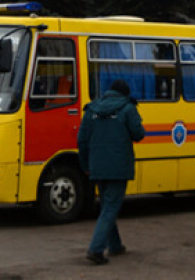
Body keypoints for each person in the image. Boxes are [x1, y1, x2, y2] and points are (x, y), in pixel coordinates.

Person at [77, 79, 145, 265]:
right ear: (125, 94)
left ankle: (115, 245)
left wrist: (86, 166)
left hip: (96, 167)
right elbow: (139, 134)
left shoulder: (91, 110)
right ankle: (96, 250)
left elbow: (81, 140)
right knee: (110, 208)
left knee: (108, 205)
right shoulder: (128, 108)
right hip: (118, 167)